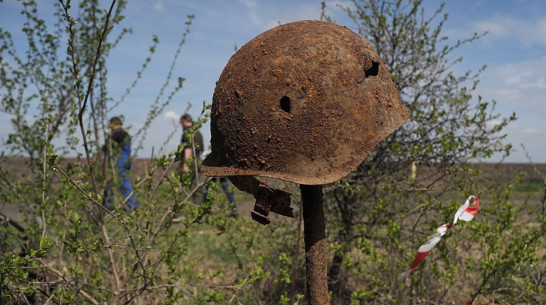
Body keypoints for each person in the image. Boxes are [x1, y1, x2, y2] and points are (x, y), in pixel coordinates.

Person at [102, 116, 138, 211]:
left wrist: (95, 158)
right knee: (111, 183)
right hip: (126, 161)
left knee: (123, 184)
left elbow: (106, 148)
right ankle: (107, 205)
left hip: (120, 162)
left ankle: (133, 207)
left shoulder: (116, 134)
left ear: (113, 124)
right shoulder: (125, 134)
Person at [178, 114, 205, 204]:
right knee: (196, 187)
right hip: (197, 160)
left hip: (189, 161)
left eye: (181, 123)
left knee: (181, 187)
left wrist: (186, 165)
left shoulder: (187, 131)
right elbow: (201, 151)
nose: (181, 125)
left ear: (185, 121)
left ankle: (178, 212)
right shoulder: (197, 132)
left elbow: (188, 148)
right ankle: (197, 210)